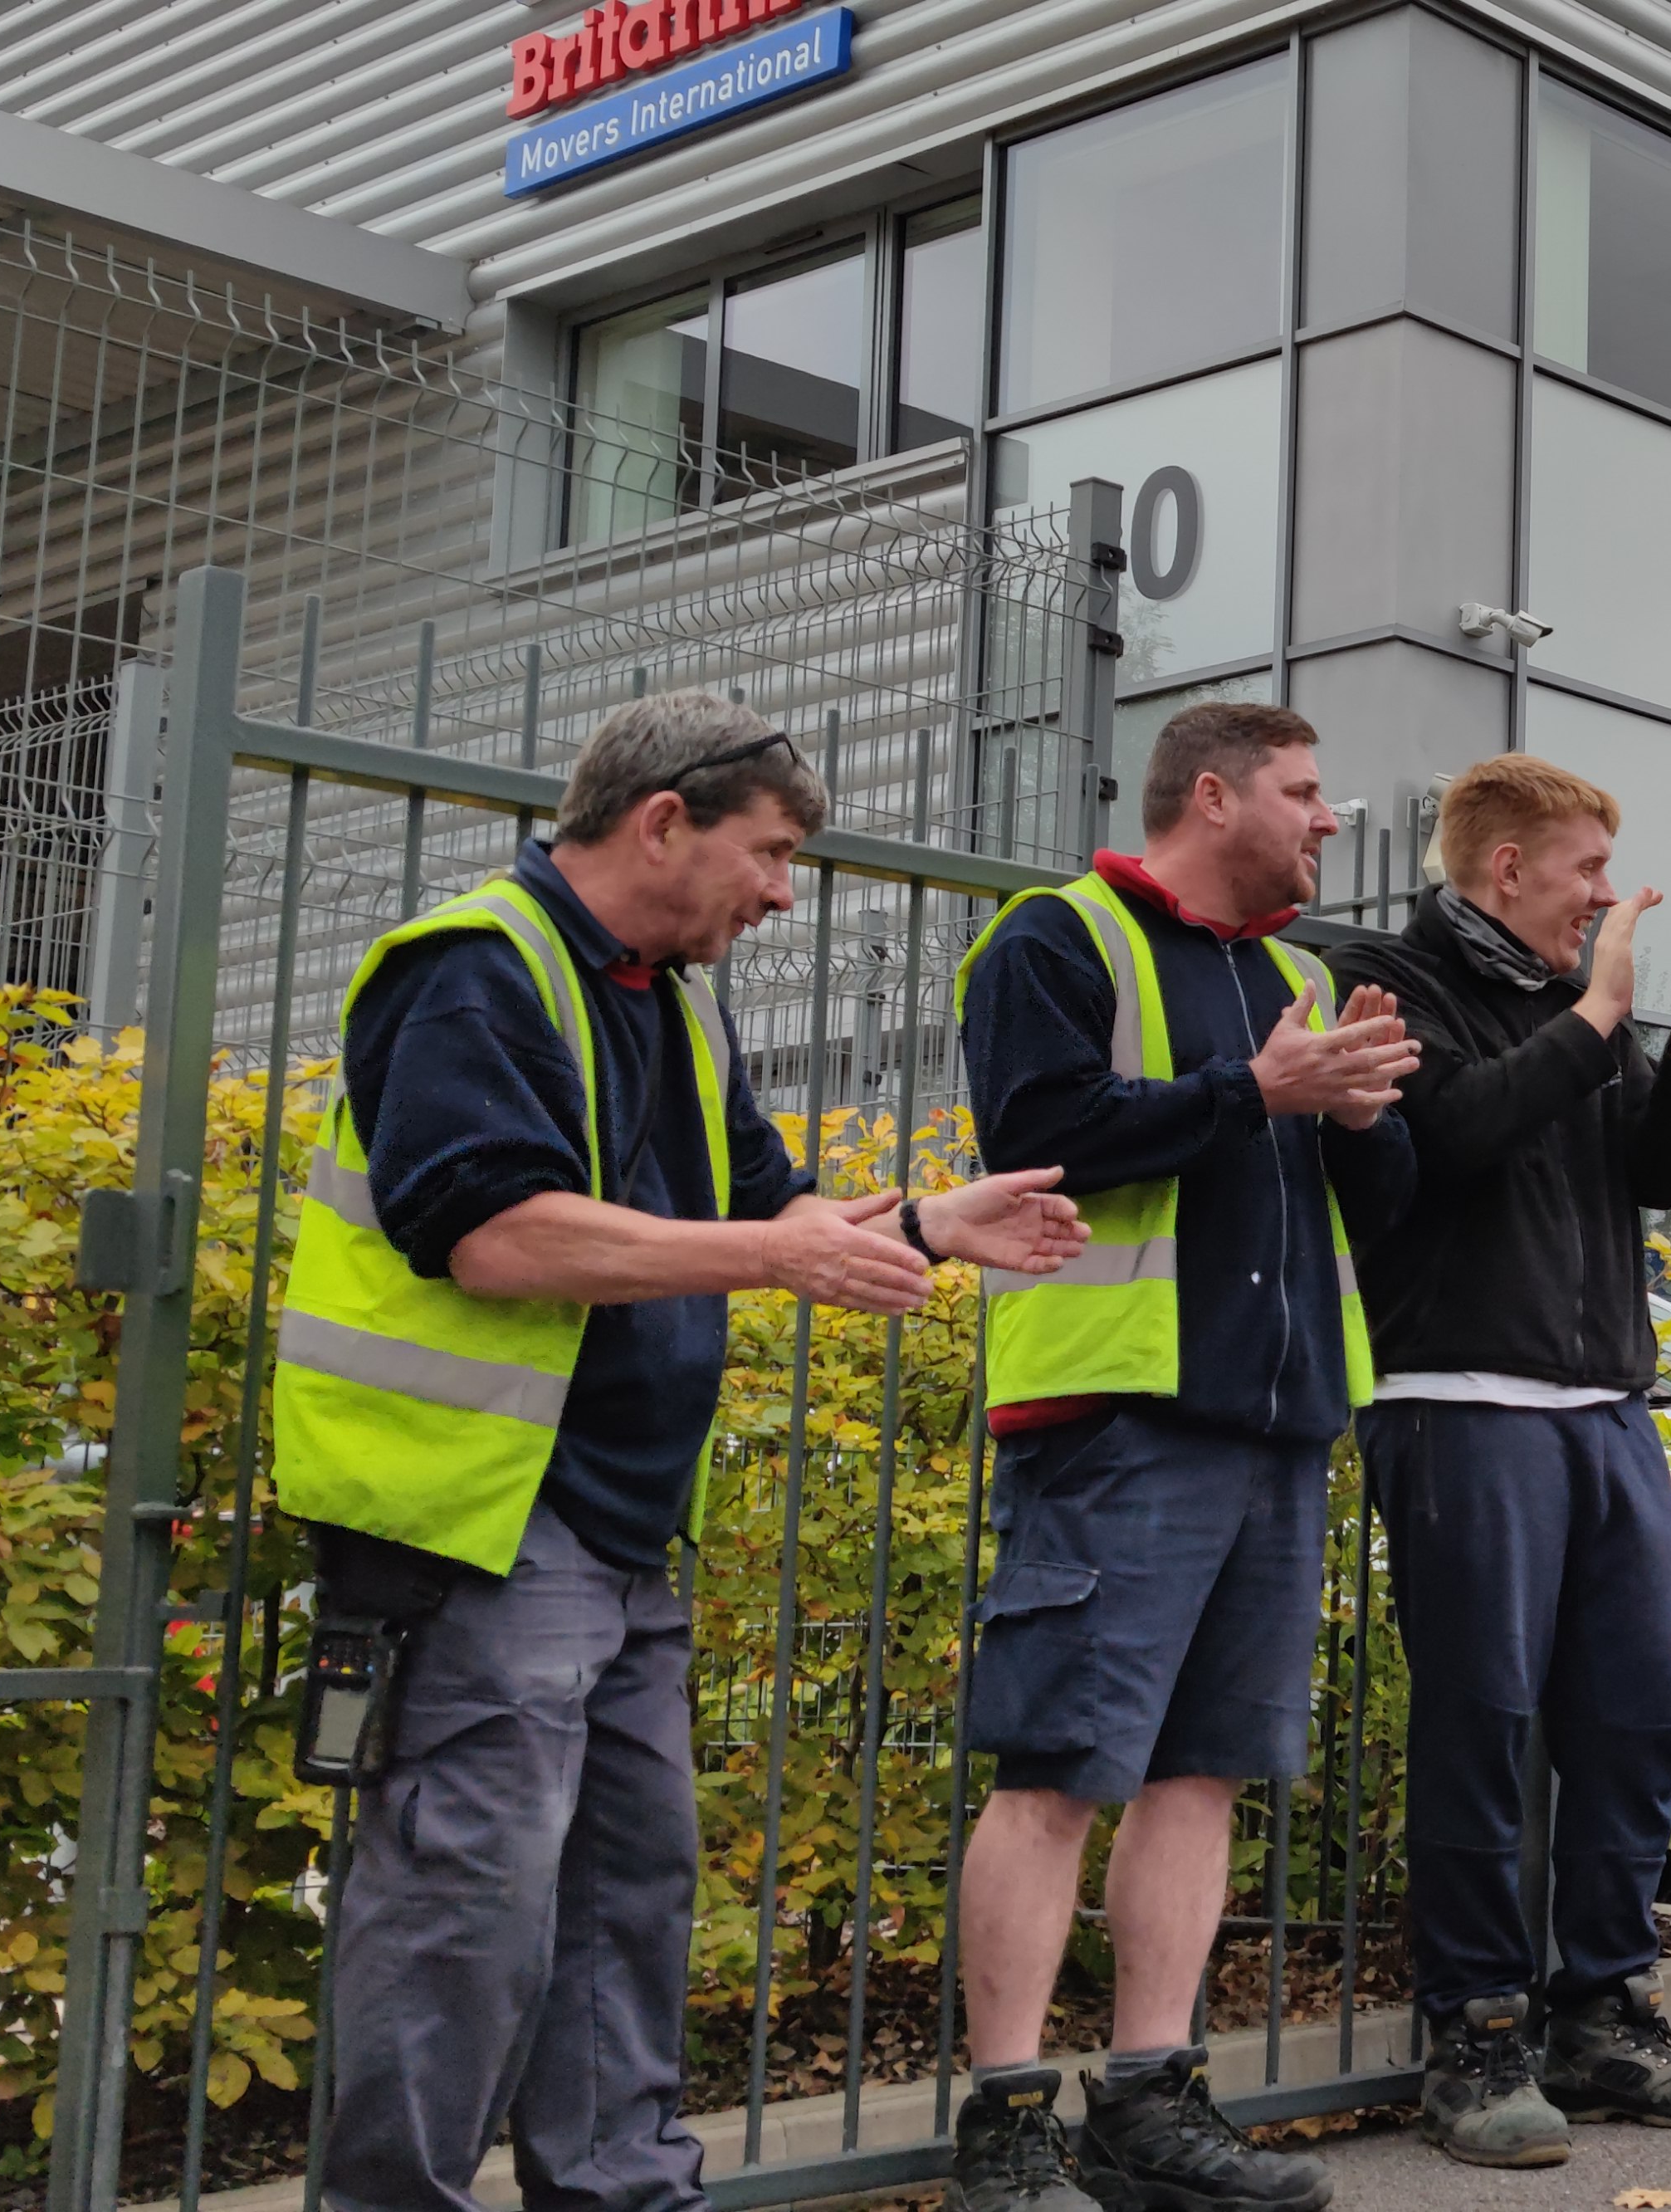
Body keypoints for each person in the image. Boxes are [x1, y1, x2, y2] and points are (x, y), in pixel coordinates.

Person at [276, 698, 1083, 2212]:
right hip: (474, 1522)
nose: (783, 890)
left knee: (626, 1891)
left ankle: (628, 2191)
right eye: (770, 851)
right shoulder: (471, 969)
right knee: (468, 1903)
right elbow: (494, 1230)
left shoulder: (662, 1000)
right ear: (664, 819)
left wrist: (927, 1224)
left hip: (608, 1525)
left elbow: (775, 1214)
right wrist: (781, 1258)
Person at [948, 698, 1419, 2212]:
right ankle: (1005, 2122)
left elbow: (1379, 1193)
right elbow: (1035, 1128)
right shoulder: (1055, 937)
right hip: (1115, 1419)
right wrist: (1255, 1093)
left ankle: (1150, 2102)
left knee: (1204, 1769)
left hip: (1274, 1424)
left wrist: (1354, 1111)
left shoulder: (1297, 972)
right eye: (1304, 786)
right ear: (1211, 797)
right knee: (1056, 1772)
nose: (1328, 815)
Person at [1323, 755, 1671, 2156]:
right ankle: (1476, 2030)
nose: (1604, 900)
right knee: (1482, 1721)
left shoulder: (1589, 1007)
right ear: (1506, 868)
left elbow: (1650, 1175)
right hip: (1456, 1397)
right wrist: (1601, 1012)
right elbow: (1448, 1136)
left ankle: (1603, 2008)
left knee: (1635, 1714)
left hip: (1604, 1407)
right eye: (1585, 873)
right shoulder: (1393, 976)